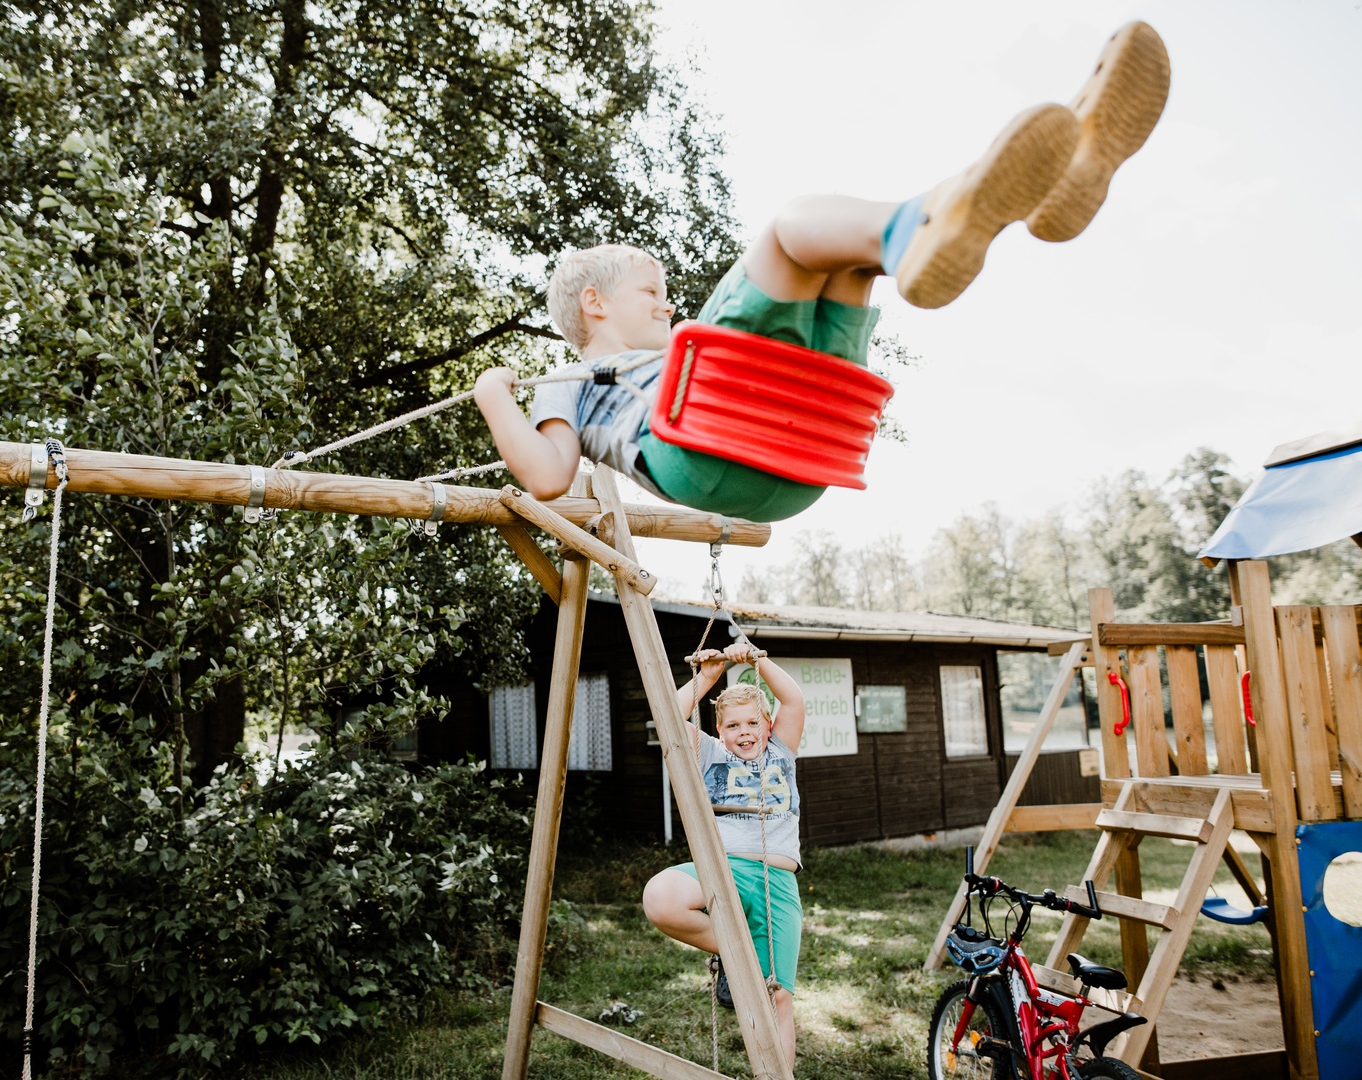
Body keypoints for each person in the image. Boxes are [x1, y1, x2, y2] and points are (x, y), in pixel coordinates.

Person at [472, 22, 1169, 522]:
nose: (665, 305)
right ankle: (944, 215)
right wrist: (492, 393)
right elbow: (547, 476)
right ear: (593, 304)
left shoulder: (642, 366)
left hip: (792, 453)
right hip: (705, 440)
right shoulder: (568, 380)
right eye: (651, 292)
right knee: (791, 229)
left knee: (847, 263)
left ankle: (994, 202)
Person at [642, 641, 806, 1071]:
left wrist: (759, 660)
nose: (745, 732)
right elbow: (666, 714)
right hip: (724, 869)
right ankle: (737, 954)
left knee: (778, 997)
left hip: (777, 881)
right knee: (660, 898)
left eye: (753, 722)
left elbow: (793, 699)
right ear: (719, 731)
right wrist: (709, 676)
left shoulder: (781, 751)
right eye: (733, 725)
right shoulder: (710, 754)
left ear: (768, 726)